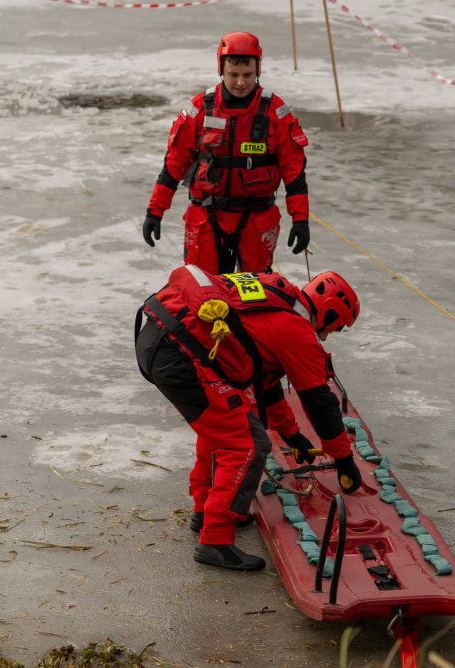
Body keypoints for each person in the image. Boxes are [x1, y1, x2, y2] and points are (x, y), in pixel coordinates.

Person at [134, 266, 363, 571]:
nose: (329, 334)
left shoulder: (276, 293)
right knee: (247, 445)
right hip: (179, 352)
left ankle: (205, 512)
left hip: (156, 335)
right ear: (332, 315)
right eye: (336, 328)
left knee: (223, 424)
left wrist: (292, 433)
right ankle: (215, 541)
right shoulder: (298, 332)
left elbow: (265, 384)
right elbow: (320, 403)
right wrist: (343, 458)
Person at [141, 32, 311, 274]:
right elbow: (173, 164)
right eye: (233, 75)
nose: (240, 82)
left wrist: (300, 220)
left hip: (257, 219)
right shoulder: (200, 109)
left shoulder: (276, 113)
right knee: (204, 293)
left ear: (258, 70)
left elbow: (295, 172)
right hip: (207, 217)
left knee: (256, 297)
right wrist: (154, 212)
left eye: (247, 75)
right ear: (221, 69)